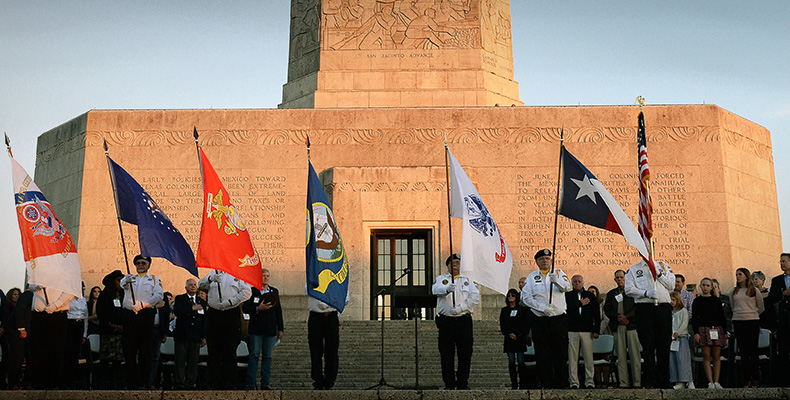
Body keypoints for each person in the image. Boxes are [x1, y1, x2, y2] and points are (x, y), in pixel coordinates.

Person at [520, 249, 571, 389]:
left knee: (560, 353)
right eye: (541, 259)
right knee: (543, 353)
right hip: (540, 319)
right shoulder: (531, 277)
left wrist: (557, 282)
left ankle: (562, 382)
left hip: (558, 319)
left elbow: (567, 287)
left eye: (547, 258)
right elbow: (525, 298)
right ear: (536, 262)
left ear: (551, 260)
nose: (545, 261)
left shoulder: (559, 273)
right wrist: (542, 308)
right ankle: (545, 382)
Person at [432, 253, 480, 390]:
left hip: (463, 321)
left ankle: (462, 382)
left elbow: (475, 297)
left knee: (465, 353)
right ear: (447, 266)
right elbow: (435, 290)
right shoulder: (442, 279)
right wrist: (446, 289)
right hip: (446, 322)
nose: (455, 265)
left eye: (458, 263)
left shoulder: (468, 280)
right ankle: (449, 383)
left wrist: (461, 308)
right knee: (446, 354)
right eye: (452, 263)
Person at [624, 259, 674, 389]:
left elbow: (671, 285)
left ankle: (664, 380)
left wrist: (659, 274)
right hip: (645, 309)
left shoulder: (663, 266)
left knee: (664, 344)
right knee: (648, 346)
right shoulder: (634, 269)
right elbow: (628, 289)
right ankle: (650, 381)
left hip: (663, 308)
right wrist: (645, 293)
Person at [198, 269, 252, 389]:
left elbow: (247, 292)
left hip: (230, 313)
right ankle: (214, 381)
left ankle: (229, 382)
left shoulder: (237, 274)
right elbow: (200, 285)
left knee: (230, 349)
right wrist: (210, 279)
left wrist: (231, 301)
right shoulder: (213, 273)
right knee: (214, 349)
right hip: (214, 314)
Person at [120, 255, 164, 389]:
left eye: (143, 263)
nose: (140, 265)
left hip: (145, 315)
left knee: (145, 350)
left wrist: (143, 304)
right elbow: (123, 286)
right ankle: (131, 381)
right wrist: (125, 279)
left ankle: (145, 380)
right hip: (130, 315)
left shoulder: (154, 279)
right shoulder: (129, 278)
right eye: (138, 263)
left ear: (148, 265)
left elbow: (158, 296)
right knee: (130, 349)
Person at [242, 268, 284, 390]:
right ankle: (251, 383)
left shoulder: (274, 291)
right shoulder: (252, 291)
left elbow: (278, 311)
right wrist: (257, 308)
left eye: (267, 276)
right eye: (263, 276)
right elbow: (245, 308)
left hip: (270, 329)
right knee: (254, 355)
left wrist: (280, 328)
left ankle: (265, 383)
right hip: (256, 329)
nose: (266, 278)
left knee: (268, 356)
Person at [29, 282, 74, 389]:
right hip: (38, 315)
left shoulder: (64, 272)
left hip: (56, 314)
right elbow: (30, 285)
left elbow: (69, 293)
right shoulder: (39, 271)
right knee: (38, 349)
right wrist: (37, 286)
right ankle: (39, 382)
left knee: (55, 349)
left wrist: (55, 306)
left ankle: (54, 382)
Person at [604, 269, 641, 389]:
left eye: (621, 277)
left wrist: (628, 317)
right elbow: (608, 309)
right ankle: (623, 383)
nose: (620, 279)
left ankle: (637, 383)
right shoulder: (611, 294)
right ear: (614, 279)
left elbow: (637, 307)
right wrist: (617, 317)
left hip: (631, 326)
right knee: (621, 356)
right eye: (617, 278)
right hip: (618, 326)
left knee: (635, 355)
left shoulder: (633, 291)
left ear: (626, 278)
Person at [308, 285, 350, 390]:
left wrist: (331, 303)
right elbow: (309, 291)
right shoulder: (313, 278)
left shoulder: (337, 282)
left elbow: (346, 298)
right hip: (316, 316)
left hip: (331, 316)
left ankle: (330, 379)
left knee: (332, 349)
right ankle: (318, 379)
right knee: (315, 350)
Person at [692, 277, 728, 389]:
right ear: (700, 286)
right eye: (703, 285)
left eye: (708, 285)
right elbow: (694, 318)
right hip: (703, 329)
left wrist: (725, 331)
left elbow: (722, 317)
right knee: (706, 355)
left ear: (711, 287)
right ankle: (710, 382)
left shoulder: (716, 300)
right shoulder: (697, 301)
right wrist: (696, 332)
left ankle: (717, 381)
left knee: (717, 356)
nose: (705, 288)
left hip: (716, 329)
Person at [565, 275, 600, 389]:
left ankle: (589, 381)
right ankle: (574, 382)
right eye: (575, 281)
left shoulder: (590, 296)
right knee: (572, 358)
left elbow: (596, 314)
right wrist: (579, 303)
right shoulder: (568, 296)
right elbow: (566, 309)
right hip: (572, 330)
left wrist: (596, 330)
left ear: (583, 283)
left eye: (579, 281)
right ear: (572, 283)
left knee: (588, 358)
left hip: (587, 331)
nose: (577, 283)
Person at [731, 267, 764, 387]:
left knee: (753, 351)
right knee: (743, 352)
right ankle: (747, 379)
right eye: (736, 274)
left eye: (740, 274)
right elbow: (732, 305)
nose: (738, 276)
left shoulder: (754, 290)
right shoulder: (734, 291)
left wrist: (751, 314)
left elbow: (760, 307)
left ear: (746, 276)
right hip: (739, 321)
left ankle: (756, 378)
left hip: (752, 321)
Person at [172, 278, 207, 390]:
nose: (193, 286)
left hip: (195, 336)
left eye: (194, 285)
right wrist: (192, 308)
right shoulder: (180, 298)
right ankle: (179, 383)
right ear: (186, 287)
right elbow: (178, 312)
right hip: (182, 334)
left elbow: (203, 320)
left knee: (193, 361)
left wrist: (204, 336)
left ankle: (190, 383)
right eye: (190, 285)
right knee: (180, 360)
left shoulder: (201, 301)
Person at [96, 270, 125, 389]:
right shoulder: (105, 295)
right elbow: (100, 312)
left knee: (118, 360)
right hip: (107, 331)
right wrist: (110, 324)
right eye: (119, 281)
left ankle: (115, 383)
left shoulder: (124, 295)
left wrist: (122, 326)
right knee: (105, 359)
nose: (121, 283)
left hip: (120, 332)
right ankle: (102, 383)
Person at [499, 288, 530, 389]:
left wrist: (519, 334)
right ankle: (514, 383)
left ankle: (523, 383)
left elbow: (525, 324)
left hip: (519, 338)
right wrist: (509, 334)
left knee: (521, 361)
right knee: (511, 361)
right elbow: (503, 325)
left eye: (512, 295)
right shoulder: (504, 310)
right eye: (509, 295)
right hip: (509, 339)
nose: (510, 297)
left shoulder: (522, 310)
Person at [768, 253, 790, 386]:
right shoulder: (777, 280)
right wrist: (783, 294)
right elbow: (771, 298)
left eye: (784, 261)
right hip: (784, 320)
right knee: (784, 351)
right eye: (780, 261)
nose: (782, 263)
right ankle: (785, 381)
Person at [6, 288, 33, 390]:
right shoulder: (27, 295)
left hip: (29, 333)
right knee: (17, 359)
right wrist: (21, 329)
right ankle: (13, 384)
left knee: (30, 358)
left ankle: (27, 383)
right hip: (18, 333)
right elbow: (19, 311)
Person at [65, 283, 89, 389]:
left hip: (79, 325)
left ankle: (72, 380)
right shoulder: (67, 298)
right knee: (68, 352)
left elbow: (86, 317)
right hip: (70, 324)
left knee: (75, 353)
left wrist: (84, 334)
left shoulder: (82, 300)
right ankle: (65, 380)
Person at [669, 291, 693, 389]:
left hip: (681, 337)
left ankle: (688, 380)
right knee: (673, 360)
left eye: (673, 300)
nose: (672, 302)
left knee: (683, 360)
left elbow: (684, 323)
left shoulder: (683, 311)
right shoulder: (669, 312)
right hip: (672, 339)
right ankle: (678, 381)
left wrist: (678, 332)